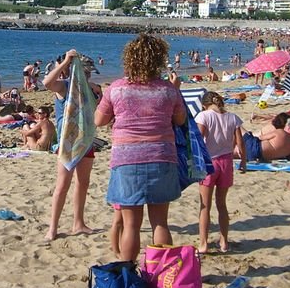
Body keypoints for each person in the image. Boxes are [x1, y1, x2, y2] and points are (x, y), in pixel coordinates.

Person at [95, 34, 186, 262]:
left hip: (127, 160)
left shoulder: (117, 89)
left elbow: (99, 120)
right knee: (160, 223)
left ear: (130, 59)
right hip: (161, 157)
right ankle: (161, 274)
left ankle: (129, 274)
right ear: (157, 59)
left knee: (131, 225)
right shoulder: (168, 90)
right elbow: (181, 120)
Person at [44, 49, 103, 241]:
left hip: (86, 141)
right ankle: (52, 228)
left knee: (83, 183)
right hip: (67, 143)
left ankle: (78, 222)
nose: (88, 75)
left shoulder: (92, 89)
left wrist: (99, 94)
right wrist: (66, 62)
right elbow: (46, 83)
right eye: (85, 72)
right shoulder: (65, 86)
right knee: (62, 185)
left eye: (89, 73)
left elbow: (100, 117)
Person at [194, 91, 245, 254]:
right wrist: (243, 161)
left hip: (210, 163)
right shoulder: (233, 117)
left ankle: (204, 244)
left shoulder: (204, 116)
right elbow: (240, 142)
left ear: (204, 104)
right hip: (226, 162)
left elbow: (199, 139)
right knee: (222, 205)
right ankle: (224, 242)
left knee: (205, 206)